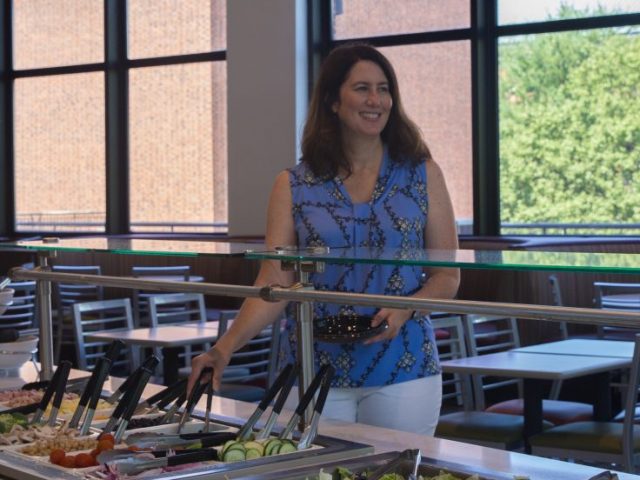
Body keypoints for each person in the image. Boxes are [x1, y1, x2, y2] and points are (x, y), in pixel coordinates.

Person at [188, 43, 460, 435]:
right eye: (362, 88)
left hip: (405, 366)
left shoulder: (423, 174)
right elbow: (273, 283)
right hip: (313, 367)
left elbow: (447, 278)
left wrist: (406, 308)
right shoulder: (293, 184)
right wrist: (222, 350)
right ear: (333, 101)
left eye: (384, 89)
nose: (376, 100)